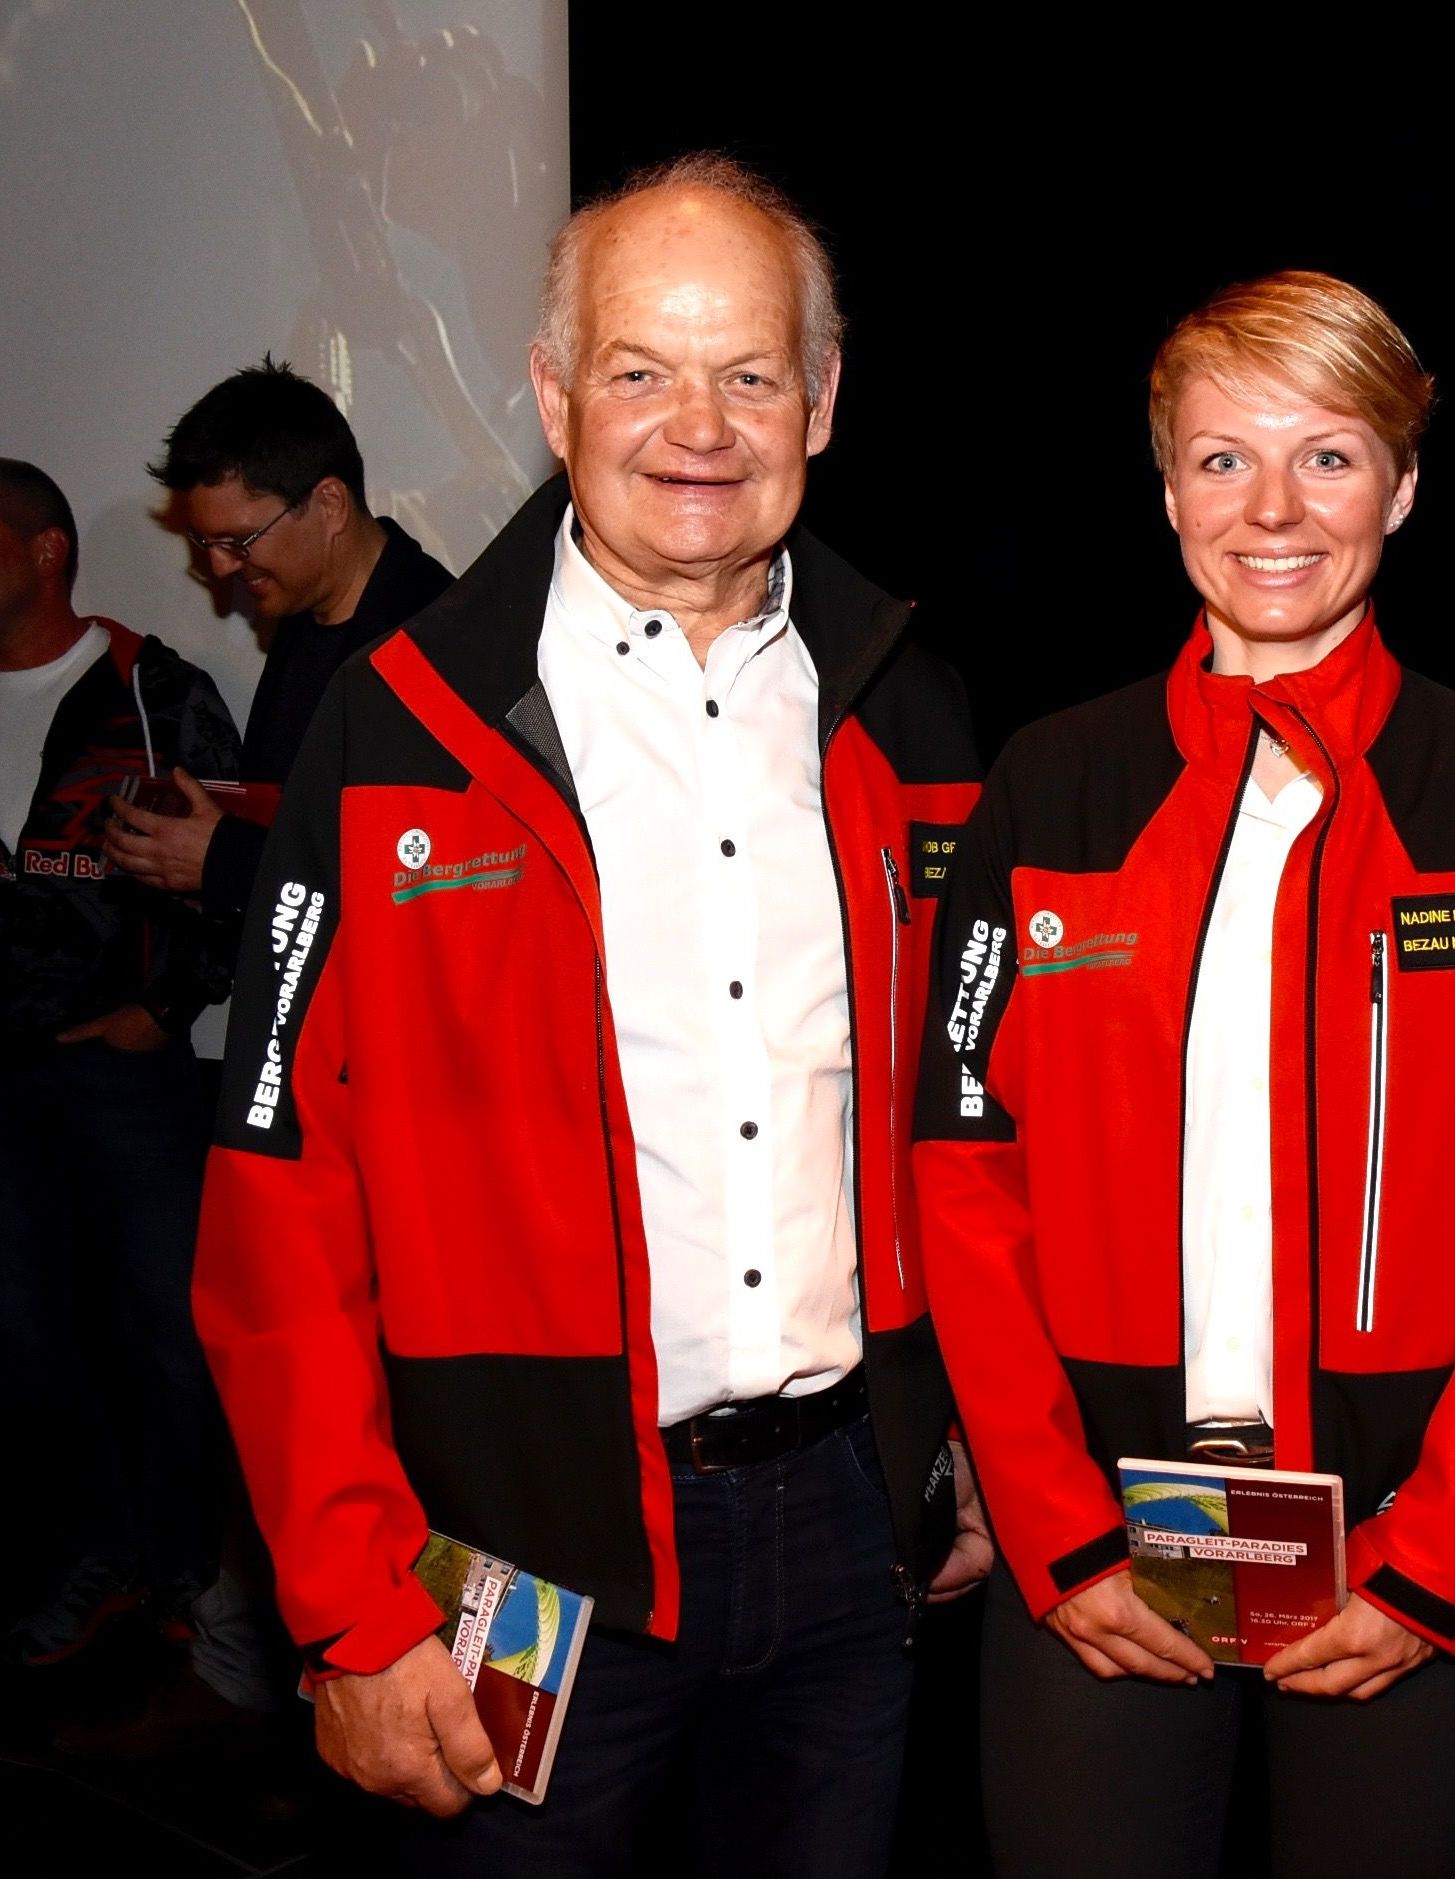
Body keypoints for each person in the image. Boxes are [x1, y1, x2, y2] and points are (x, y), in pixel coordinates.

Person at [190, 153, 989, 1877]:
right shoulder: (399, 727)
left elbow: (962, 1118)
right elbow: (277, 1184)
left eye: (749, 372)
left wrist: (977, 1445)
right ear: (555, 394)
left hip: (858, 1539)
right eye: (640, 367)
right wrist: (346, 1602)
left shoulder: (911, 710)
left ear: (823, 401)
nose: (696, 423)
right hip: (513, 1557)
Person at [915, 271, 1455, 1878]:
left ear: (1404, 485)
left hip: (1405, 1553)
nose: (1273, 509)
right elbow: (965, 1167)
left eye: (1330, 455)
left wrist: (1435, 1554)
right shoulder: (1052, 781)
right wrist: (1053, 1525)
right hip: (1101, 1543)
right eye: (1223, 459)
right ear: (1165, 487)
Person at [0, 457, 242, 1665]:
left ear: (45, 551)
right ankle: (88, 1558)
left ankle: (197, 1576)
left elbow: (240, 865)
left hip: (123, 1079)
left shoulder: (150, 690)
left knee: (169, 1330)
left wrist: (164, 1007)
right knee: (31, 1338)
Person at [104, 359, 453, 918]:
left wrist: (223, 863)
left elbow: (423, 875)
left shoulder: (435, 642)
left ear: (330, 504)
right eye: (204, 543)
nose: (219, 567)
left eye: (239, 541)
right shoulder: (302, 616)